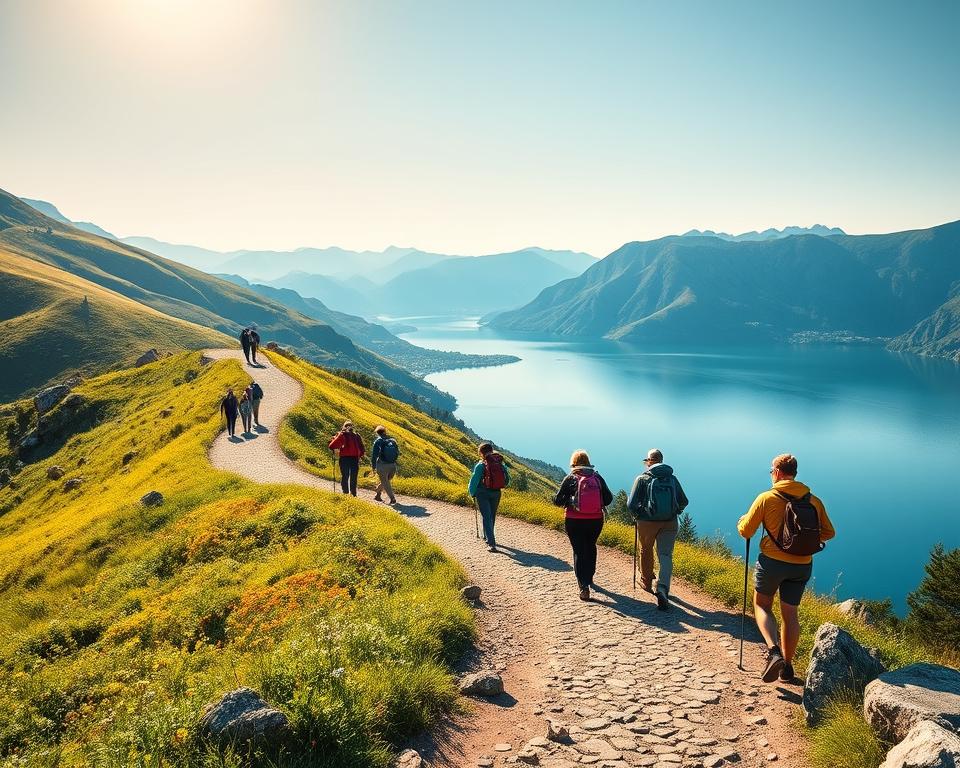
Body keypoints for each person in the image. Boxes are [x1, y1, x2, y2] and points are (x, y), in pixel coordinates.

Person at [738, 453, 835, 683]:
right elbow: (829, 533)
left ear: (778, 473)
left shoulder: (766, 498)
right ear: (794, 473)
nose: (772, 475)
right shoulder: (813, 500)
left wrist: (741, 521)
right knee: (790, 614)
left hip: (772, 563)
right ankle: (787, 667)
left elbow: (746, 531)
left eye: (772, 471)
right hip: (802, 565)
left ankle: (773, 652)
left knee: (762, 605)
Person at [627, 448, 690, 610]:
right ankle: (662, 588)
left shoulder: (642, 479)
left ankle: (647, 581)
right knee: (666, 555)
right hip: (670, 522)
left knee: (646, 550)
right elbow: (684, 501)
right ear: (661, 460)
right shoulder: (672, 479)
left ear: (649, 462)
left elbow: (631, 504)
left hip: (647, 522)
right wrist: (675, 511)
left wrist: (639, 515)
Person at [553, 450, 614, 601]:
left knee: (579, 550)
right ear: (588, 462)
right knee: (591, 546)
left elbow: (558, 500)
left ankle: (583, 587)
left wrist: (567, 501)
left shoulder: (571, 478)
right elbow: (608, 499)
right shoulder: (597, 477)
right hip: (595, 520)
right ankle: (590, 577)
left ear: (573, 463)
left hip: (574, 520)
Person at [468, 442, 509, 552]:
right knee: (491, 516)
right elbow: (507, 479)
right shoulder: (500, 463)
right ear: (492, 450)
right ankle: (488, 537)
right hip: (496, 493)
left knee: (486, 516)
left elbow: (474, 480)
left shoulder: (481, 465)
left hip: (483, 493)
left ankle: (491, 543)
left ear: (481, 453)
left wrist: (472, 493)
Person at [328, 420, 365, 496]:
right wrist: (359, 455)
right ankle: (353, 494)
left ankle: (345, 493)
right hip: (354, 459)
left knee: (345, 476)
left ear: (344, 427)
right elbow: (362, 449)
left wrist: (336, 449)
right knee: (353, 477)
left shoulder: (342, 434)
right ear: (352, 427)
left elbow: (332, 446)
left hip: (344, 458)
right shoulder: (357, 436)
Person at [371, 425, 399, 504]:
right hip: (393, 465)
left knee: (385, 482)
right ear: (385, 432)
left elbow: (374, 455)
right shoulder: (392, 440)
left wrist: (373, 466)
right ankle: (378, 495)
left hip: (382, 465)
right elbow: (397, 452)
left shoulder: (378, 441)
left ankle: (392, 498)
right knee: (386, 481)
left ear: (377, 433)